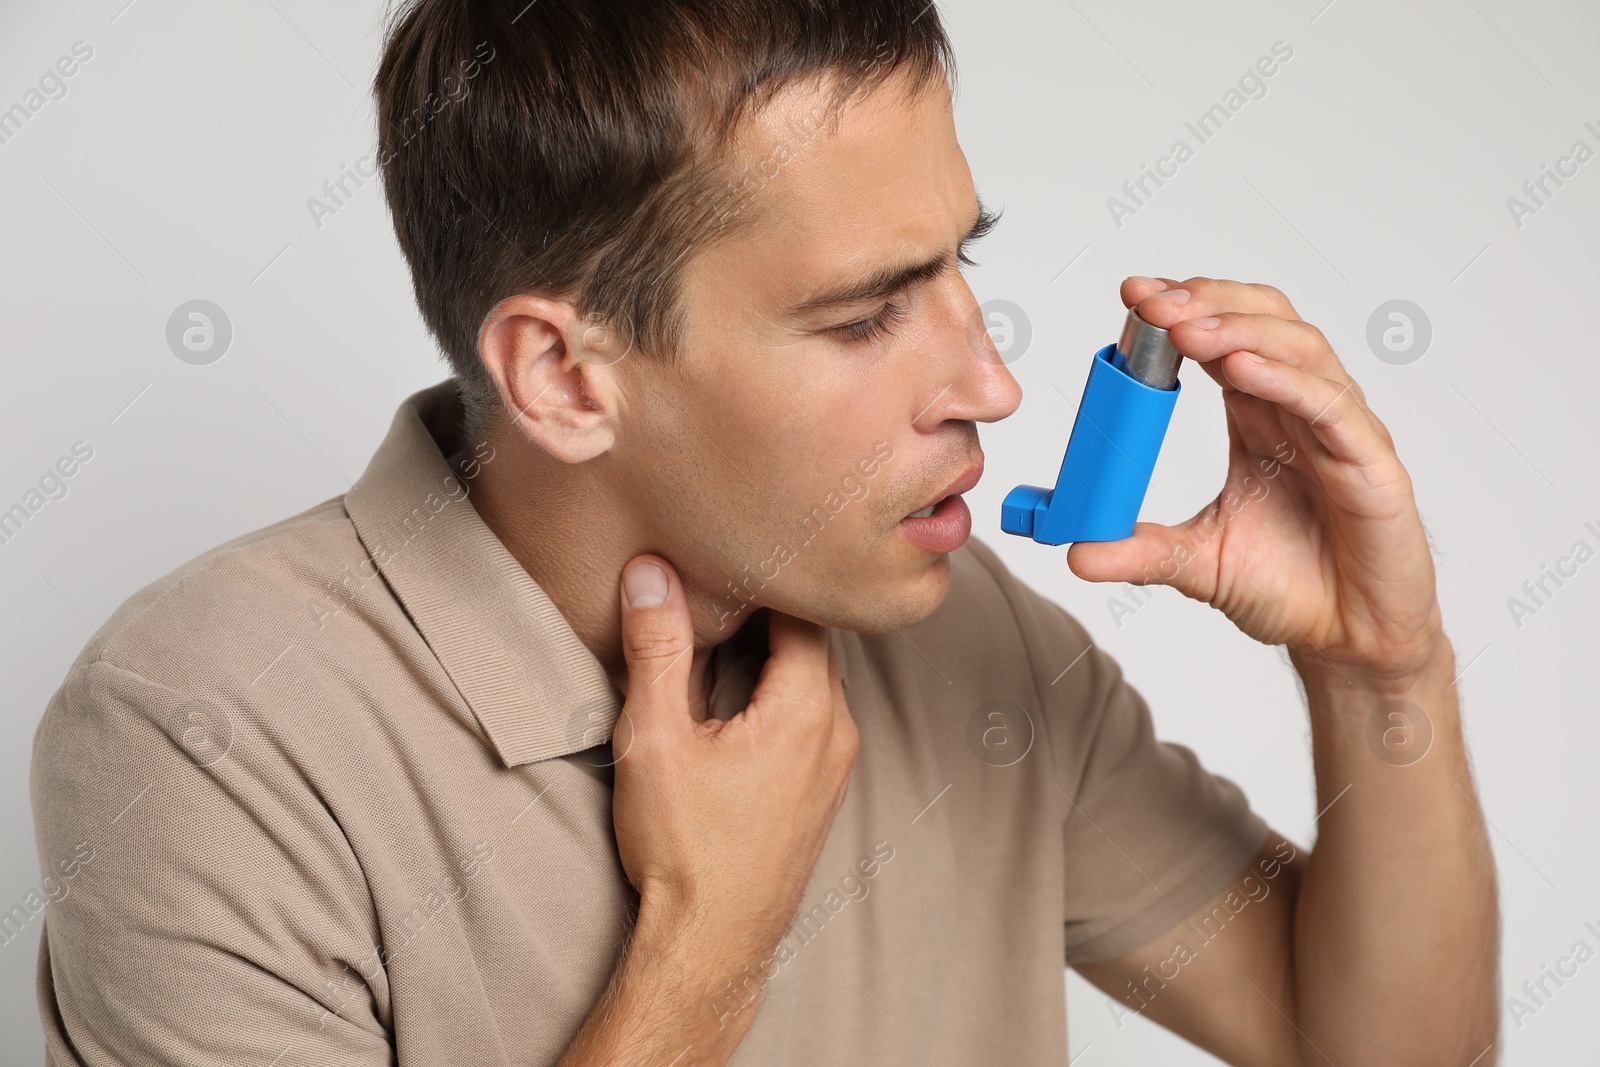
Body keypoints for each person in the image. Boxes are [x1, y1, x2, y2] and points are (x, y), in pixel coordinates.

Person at [30, 1, 1498, 1064]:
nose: (990, 383)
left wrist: (1382, 671)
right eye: (865, 314)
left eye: (957, 269)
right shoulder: (201, 737)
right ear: (563, 376)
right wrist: (704, 947)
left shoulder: (963, 628)